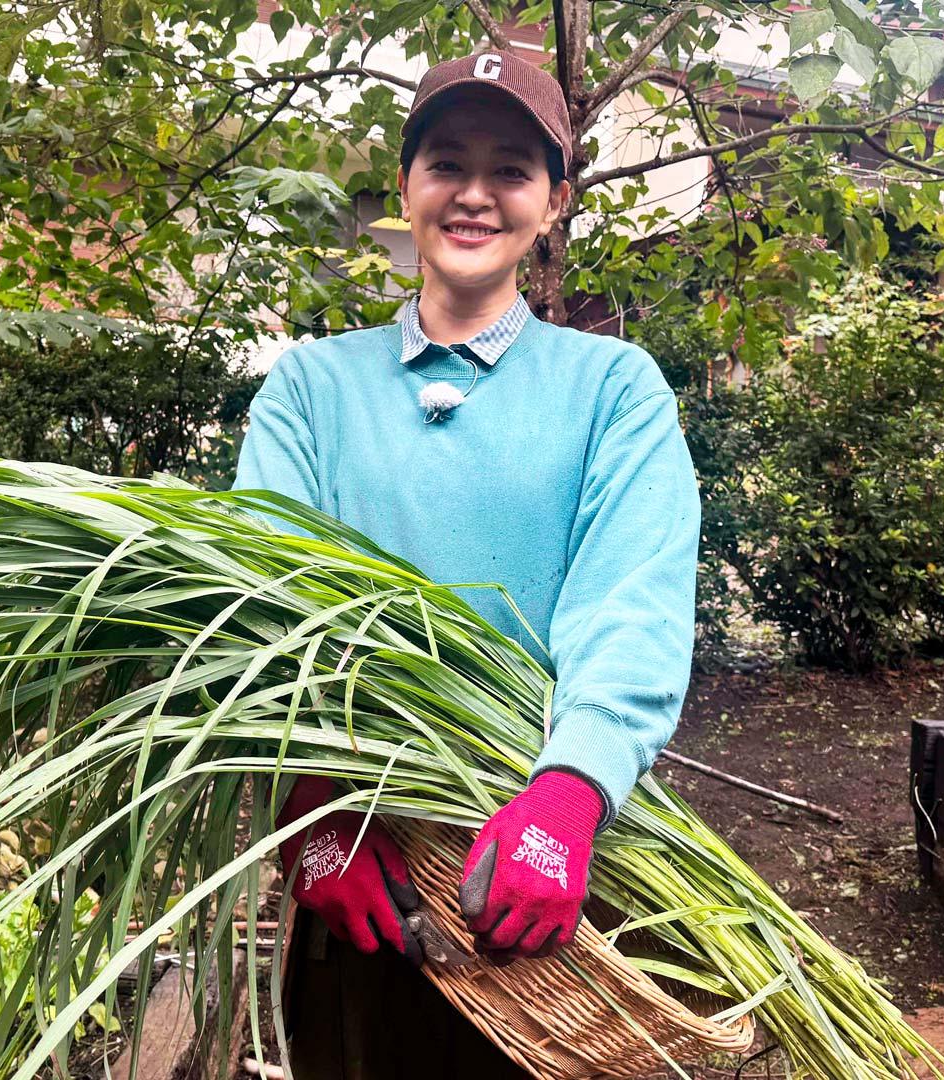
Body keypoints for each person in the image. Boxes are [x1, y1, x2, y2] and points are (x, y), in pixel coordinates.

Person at [234, 48, 702, 967]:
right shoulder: (311, 389)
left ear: (555, 202)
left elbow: (633, 605)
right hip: (363, 869)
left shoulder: (612, 389)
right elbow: (261, 600)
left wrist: (570, 795)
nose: (475, 195)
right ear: (405, 187)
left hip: (547, 869)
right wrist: (307, 808)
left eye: (511, 172)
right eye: (447, 163)